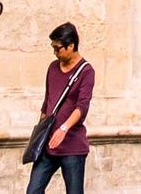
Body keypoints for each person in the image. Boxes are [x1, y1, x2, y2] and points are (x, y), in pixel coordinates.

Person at [26, 22, 95, 194]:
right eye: (53, 48)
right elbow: (47, 101)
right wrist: (39, 134)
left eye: (58, 48)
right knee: (33, 191)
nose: (55, 53)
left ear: (71, 46)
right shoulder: (52, 67)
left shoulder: (86, 71)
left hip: (72, 146)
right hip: (48, 145)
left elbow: (82, 107)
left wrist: (64, 128)